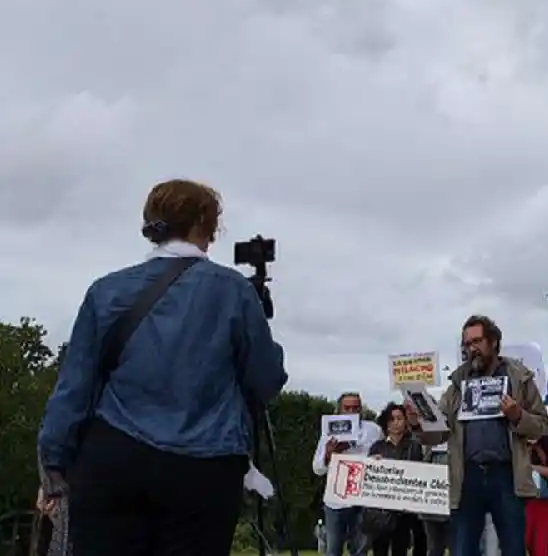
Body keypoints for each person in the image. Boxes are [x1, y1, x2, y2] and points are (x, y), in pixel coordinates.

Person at [38, 179, 288, 556]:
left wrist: (53, 465)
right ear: (206, 223)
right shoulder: (233, 291)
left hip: (114, 459)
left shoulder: (107, 290)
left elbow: (75, 387)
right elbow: (266, 380)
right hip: (203, 466)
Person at [414, 315, 548, 556]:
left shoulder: (519, 377)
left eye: (477, 341)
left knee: (513, 548)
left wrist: (518, 415)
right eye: (467, 344)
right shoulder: (457, 383)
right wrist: (419, 425)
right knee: (463, 549)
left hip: (507, 475)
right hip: (467, 477)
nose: (471, 349)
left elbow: (541, 425)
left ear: (494, 341)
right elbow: (439, 434)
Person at [315, 392, 385, 556]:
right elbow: (317, 469)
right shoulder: (329, 433)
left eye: (356, 407)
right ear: (339, 410)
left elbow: (383, 457)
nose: (352, 411)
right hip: (336, 501)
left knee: (360, 550)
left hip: (363, 499)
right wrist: (329, 454)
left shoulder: (373, 430)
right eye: (347, 408)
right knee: (333, 550)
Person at [368, 403, 427, 556]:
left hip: (404, 511)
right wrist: (372, 463)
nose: (396, 422)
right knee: (379, 549)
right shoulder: (377, 447)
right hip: (381, 510)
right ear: (386, 424)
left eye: (399, 418)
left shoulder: (414, 446)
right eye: (392, 419)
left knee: (400, 549)